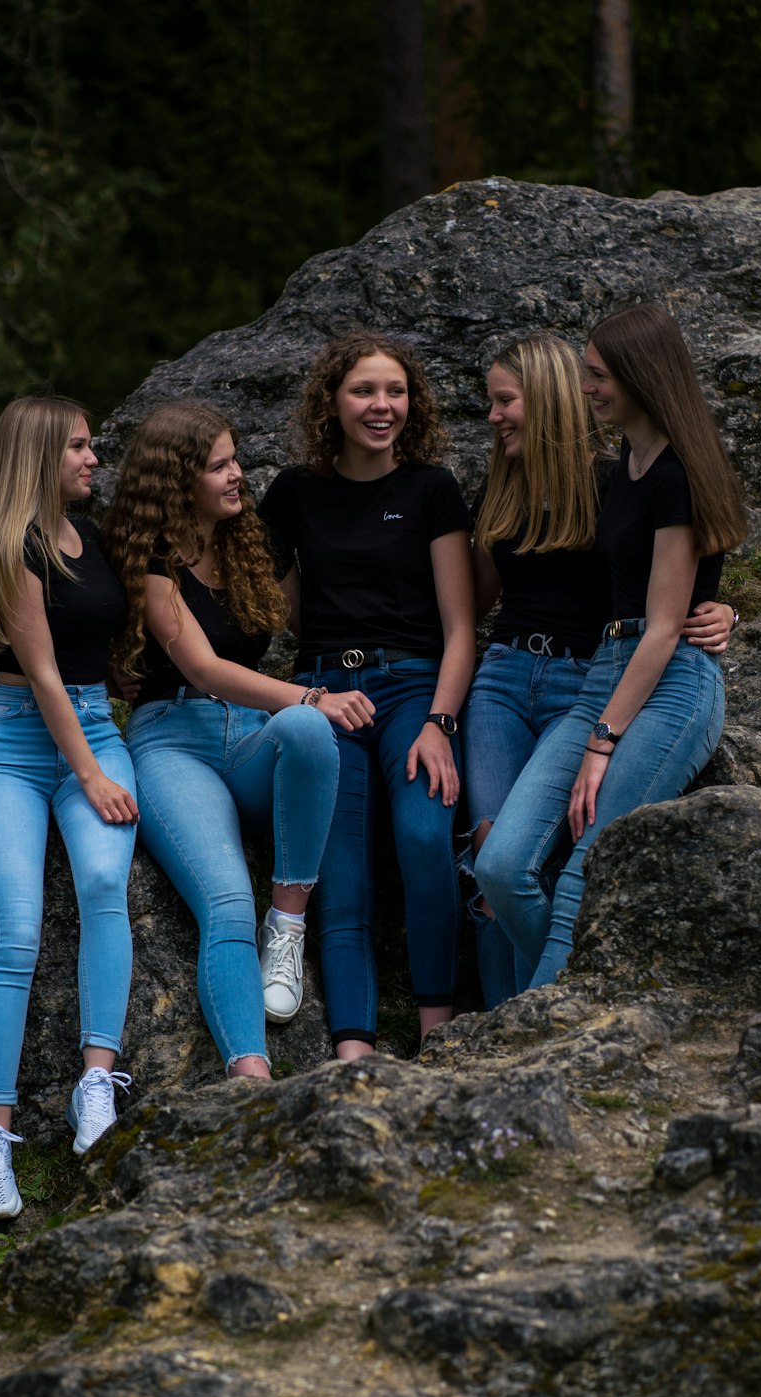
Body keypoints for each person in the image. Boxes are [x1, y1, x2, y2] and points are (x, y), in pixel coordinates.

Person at [475, 305, 747, 989]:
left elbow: (663, 626)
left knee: (583, 871)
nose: (586, 388)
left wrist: (602, 742)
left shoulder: (676, 473)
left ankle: (534, 1045)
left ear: (638, 375)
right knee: (502, 867)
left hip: (673, 685)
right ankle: (544, 1018)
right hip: (606, 670)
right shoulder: (626, 463)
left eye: (596, 376)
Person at [103, 404, 374, 1079]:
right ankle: (251, 1080)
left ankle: (286, 923)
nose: (236, 475)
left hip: (250, 737)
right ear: (177, 482)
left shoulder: (251, 539)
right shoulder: (155, 558)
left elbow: (315, 615)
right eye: (219, 464)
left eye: (235, 459)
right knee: (224, 900)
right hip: (173, 742)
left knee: (309, 731)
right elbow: (202, 667)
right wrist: (312, 693)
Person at [258, 331, 476, 1058]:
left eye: (395, 391)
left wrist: (441, 722)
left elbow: (461, 625)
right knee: (340, 870)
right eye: (364, 391)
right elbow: (272, 607)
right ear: (333, 400)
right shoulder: (295, 492)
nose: (382, 406)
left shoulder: (431, 489)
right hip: (325, 692)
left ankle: (435, 1032)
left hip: (414, 687)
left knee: (422, 836)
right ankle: (355, 1046)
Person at [0, 396, 140, 1221]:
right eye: (78, 446)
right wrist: (92, 776)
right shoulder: (14, 546)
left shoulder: (91, 535)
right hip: (15, 744)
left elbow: (105, 649)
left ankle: (94, 1083)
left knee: (105, 887)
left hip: (96, 726)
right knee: (17, 937)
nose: (93, 457)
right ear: (38, 456)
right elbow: (40, 674)